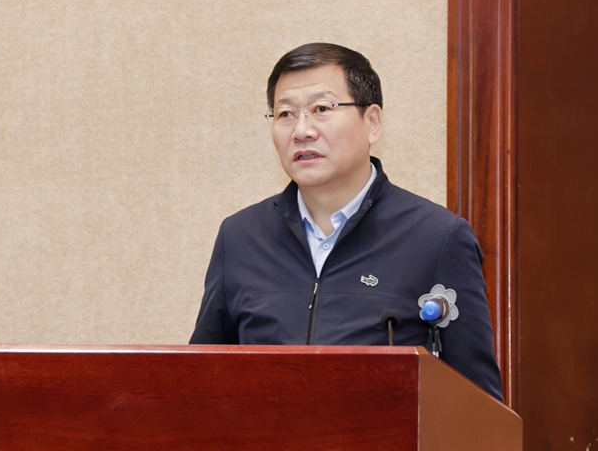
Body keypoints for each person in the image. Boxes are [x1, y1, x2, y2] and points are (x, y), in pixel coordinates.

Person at [189, 43, 503, 401]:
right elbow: (200, 382)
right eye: (285, 114)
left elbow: (479, 403)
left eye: (322, 109)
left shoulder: (437, 238)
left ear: (372, 123)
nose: (301, 130)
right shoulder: (240, 237)